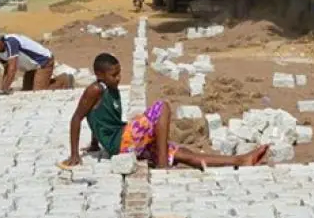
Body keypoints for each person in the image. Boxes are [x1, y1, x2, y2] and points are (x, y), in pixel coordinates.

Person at [58, 53, 270, 170]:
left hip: (121, 139)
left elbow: (98, 117)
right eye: (114, 75)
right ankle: (161, 165)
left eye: (119, 73)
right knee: (162, 107)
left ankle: (240, 160)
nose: (118, 78)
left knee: (181, 153)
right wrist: (75, 154)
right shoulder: (95, 89)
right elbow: (78, 117)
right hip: (119, 142)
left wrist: (96, 143)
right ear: (99, 75)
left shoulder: (109, 89)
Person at [0, 30, 71, 94]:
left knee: (39, 93)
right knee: (27, 92)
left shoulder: (11, 42)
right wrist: (2, 89)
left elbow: (12, 69)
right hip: (30, 67)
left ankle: (65, 80)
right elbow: (7, 70)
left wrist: (5, 89)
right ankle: (47, 82)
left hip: (43, 62)